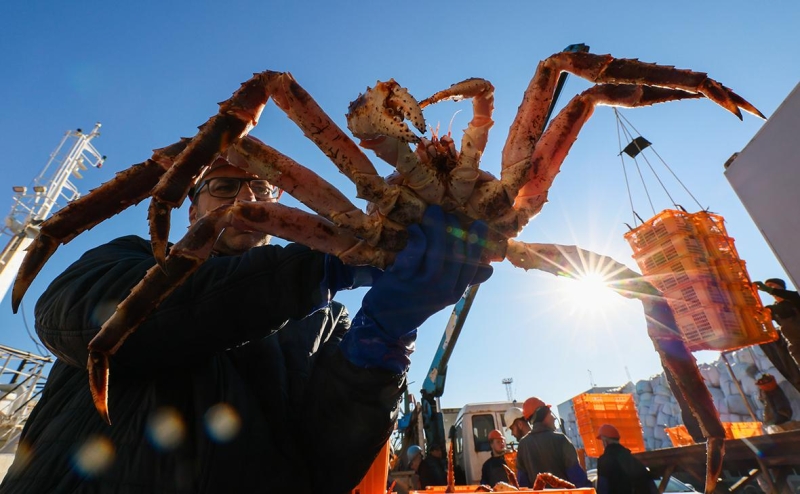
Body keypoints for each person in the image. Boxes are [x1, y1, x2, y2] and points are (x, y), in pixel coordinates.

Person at [0, 157, 492, 494]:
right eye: (223, 185)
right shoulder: (130, 259)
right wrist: (312, 266)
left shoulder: (325, 324)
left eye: (260, 186)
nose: (246, 197)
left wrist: (386, 336)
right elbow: (76, 319)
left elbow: (327, 463)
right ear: (191, 205)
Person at [515, 396, 591, 488]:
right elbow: (577, 478)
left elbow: (523, 485)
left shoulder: (523, 445)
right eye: (550, 414)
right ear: (542, 415)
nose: (554, 418)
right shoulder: (560, 440)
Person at [595, 424, 658, 494]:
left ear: (605, 442)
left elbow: (603, 488)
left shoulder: (604, 461)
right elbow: (650, 486)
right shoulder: (633, 460)